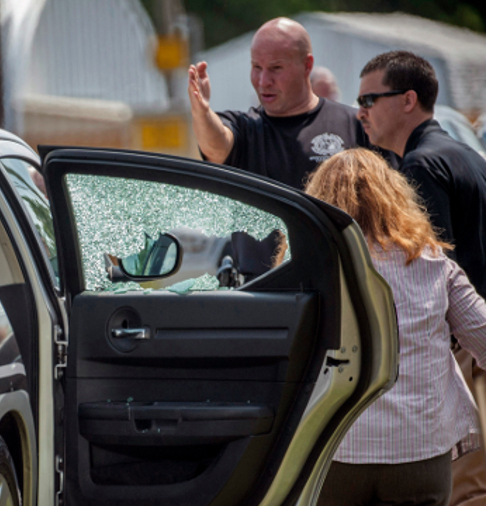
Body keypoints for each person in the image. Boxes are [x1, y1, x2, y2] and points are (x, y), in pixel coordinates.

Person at [304, 148, 486, 506]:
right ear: (396, 196)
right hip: (419, 451)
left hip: (335, 449)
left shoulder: (311, 269)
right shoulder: (434, 265)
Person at [356, 51, 486, 505]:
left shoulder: (419, 167)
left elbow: (424, 274)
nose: (361, 111)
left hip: (459, 348)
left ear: (409, 99)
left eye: (371, 98)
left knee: (464, 490)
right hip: (477, 337)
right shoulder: (462, 151)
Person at [187, 17, 378, 189]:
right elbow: (216, 146)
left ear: (307, 65)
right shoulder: (245, 128)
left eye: (276, 68)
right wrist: (201, 111)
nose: (263, 81)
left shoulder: (355, 123)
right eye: (256, 67)